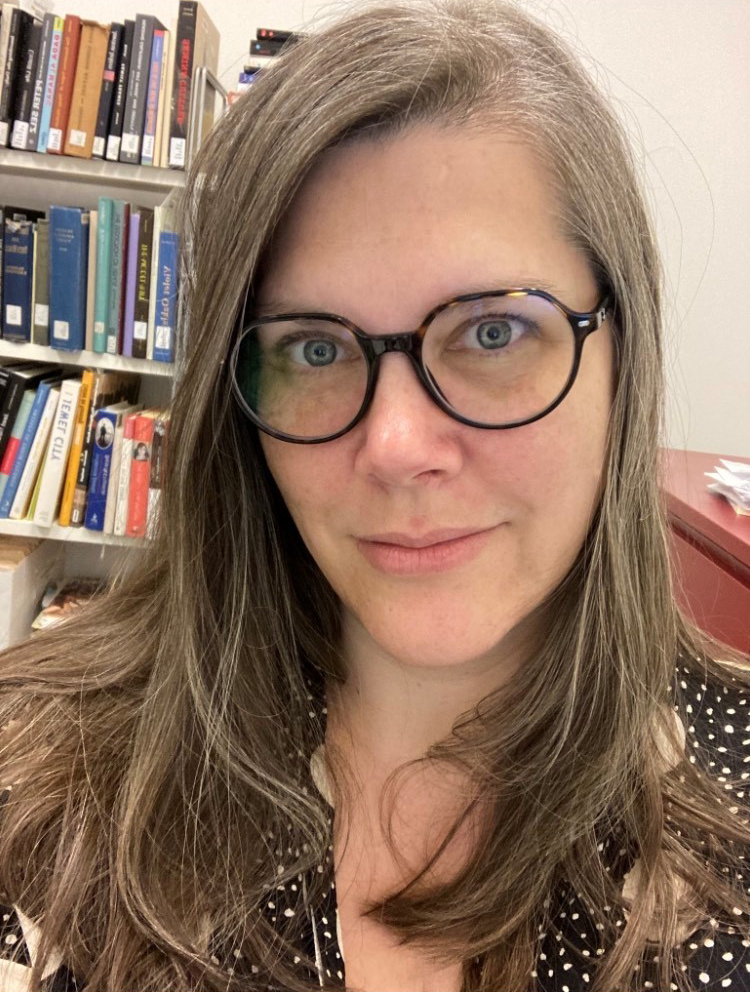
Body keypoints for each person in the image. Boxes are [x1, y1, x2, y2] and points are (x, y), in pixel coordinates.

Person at [0, 1, 748, 990]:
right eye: (313, 348)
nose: (396, 446)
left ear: (623, 357)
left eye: (491, 333)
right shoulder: (42, 777)